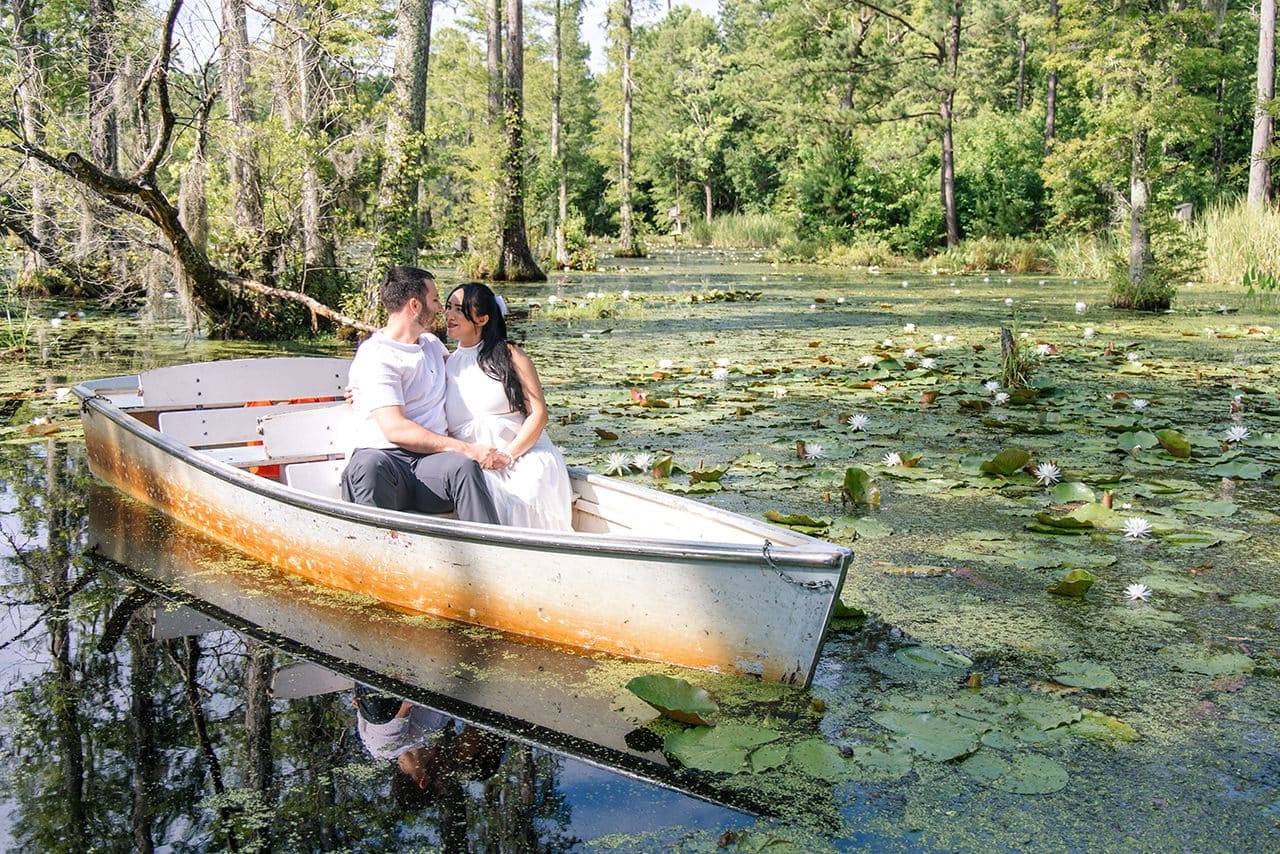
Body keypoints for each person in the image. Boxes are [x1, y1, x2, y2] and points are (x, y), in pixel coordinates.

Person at [341, 266, 501, 523]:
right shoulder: (377, 355)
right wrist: (466, 448)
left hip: (428, 466)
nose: (441, 308)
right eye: (436, 300)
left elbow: (471, 379)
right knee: (369, 466)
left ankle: (491, 550)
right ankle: (378, 550)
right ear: (415, 305)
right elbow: (396, 430)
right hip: (386, 461)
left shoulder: (433, 346)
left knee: (463, 467)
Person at [442, 283, 574, 530]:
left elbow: (539, 413)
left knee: (527, 491)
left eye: (459, 310)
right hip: (476, 459)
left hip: (523, 455)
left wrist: (508, 454)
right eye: (448, 307)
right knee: (479, 488)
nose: (450, 315)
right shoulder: (445, 363)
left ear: (482, 318)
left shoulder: (510, 355)